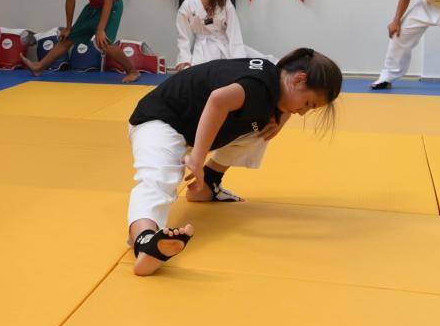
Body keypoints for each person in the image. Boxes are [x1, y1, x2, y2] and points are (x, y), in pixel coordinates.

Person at [126, 48, 342, 276]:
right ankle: (144, 240)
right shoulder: (258, 86)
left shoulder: (277, 81)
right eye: (308, 104)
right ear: (298, 80)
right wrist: (197, 159)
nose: (303, 113)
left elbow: (278, 104)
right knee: (160, 178)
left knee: (262, 130)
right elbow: (218, 100)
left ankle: (209, 183)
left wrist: (282, 118)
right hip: (159, 121)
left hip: (192, 128)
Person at [175, 0, 270, 70]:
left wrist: (237, 57)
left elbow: (234, 30)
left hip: (225, 45)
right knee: (197, 74)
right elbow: (184, 36)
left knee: (263, 62)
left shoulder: (223, 0)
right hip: (202, 50)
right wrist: (184, 59)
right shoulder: (187, 5)